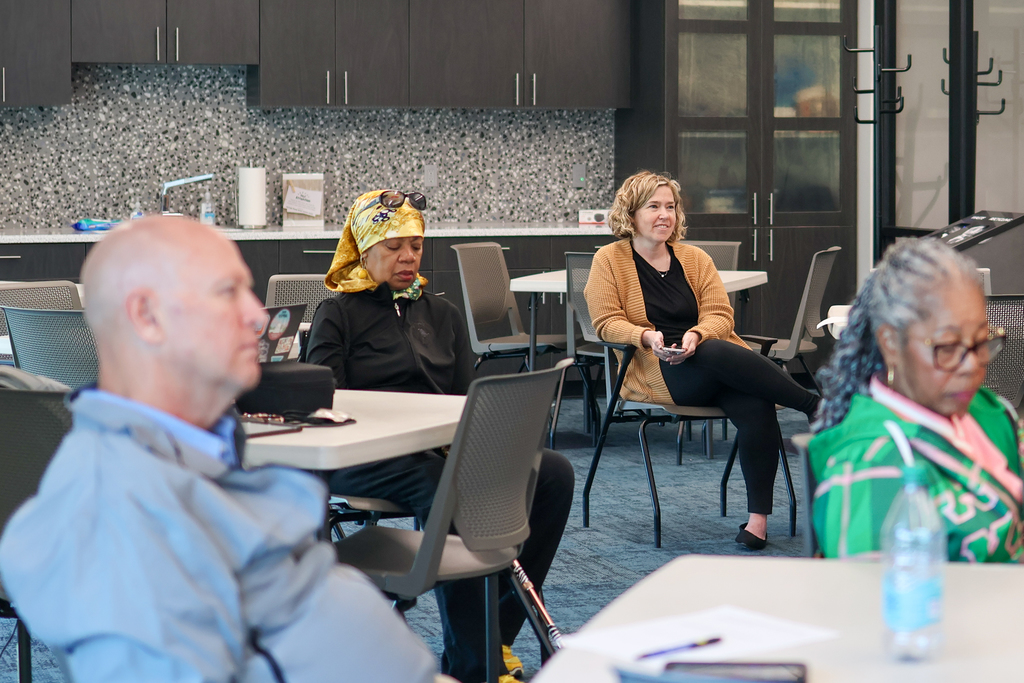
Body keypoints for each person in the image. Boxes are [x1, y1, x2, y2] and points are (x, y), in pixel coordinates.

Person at [0, 217, 437, 683]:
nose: (256, 315)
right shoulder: (120, 519)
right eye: (228, 292)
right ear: (148, 317)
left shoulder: (197, 463)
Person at [305, 189, 574, 683]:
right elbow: (326, 399)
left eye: (416, 246)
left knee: (552, 471)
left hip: (438, 450)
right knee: (453, 485)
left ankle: (498, 638)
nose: (408, 257)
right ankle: (475, 665)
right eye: (394, 247)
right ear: (365, 250)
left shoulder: (441, 313)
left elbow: (468, 400)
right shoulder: (337, 314)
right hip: (367, 454)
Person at [584, 170, 820, 549]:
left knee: (753, 398)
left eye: (671, 207)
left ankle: (757, 522)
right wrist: (645, 336)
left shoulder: (693, 258)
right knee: (717, 353)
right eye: (654, 207)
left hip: (713, 362)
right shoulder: (608, 261)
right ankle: (813, 405)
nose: (665, 215)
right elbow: (605, 323)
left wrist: (695, 334)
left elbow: (720, 316)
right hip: (659, 369)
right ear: (631, 214)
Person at [809, 239, 1022, 561]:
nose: (972, 365)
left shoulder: (986, 409)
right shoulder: (870, 465)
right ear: (892, 343)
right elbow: (873, 604)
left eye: (981, 341)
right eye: (947, 347)